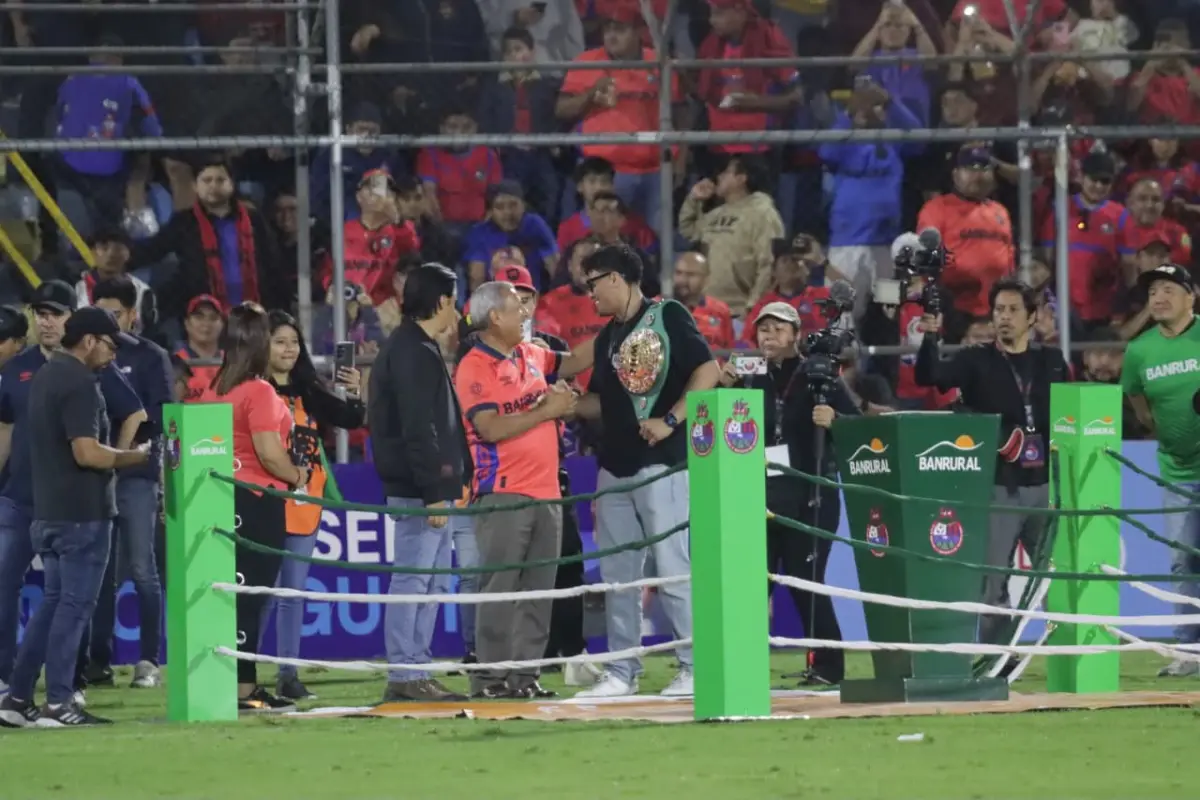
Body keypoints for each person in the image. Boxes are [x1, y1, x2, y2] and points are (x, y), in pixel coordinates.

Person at [573, 245, 720, 698]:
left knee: (672, 566)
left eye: (593, 284)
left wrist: (671, 420)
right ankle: (622, 672)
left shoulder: (668, 315)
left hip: (661, 465)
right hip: (613, 468)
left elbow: (708, 369)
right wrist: (563, 404)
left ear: (615, 278)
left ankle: (696, 667)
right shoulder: (607, 337)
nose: (589, 295)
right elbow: (601, 402)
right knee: (618, 577)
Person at [0, 307, 148, 728]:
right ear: (89, 341)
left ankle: (17, 698)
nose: (114, 353)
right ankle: (59, 702)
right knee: (74, 607)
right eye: (110, 344)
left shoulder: (45, 375)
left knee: (52, 604)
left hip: (47, 511)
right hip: (82, 514)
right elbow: (87, 453)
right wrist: (137, 457)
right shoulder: (80, 383)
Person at [455, 280, 595, 698]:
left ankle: (525, 677)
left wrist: (626, 325)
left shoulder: (532, 353)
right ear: (494, 317)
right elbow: (490, 428)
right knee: (499, 590)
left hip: (548, 490)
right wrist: (548, 410)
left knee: (538, 591)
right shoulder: (474, 366)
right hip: (503, 492)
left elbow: (575, 361)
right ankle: (489, 679)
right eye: (517, 307)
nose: (526, 314)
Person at [915, 278, 1070, 650]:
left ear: (1032, 317)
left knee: (1057, 575)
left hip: (1046, 486)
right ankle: (998, 659)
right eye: (999, 310)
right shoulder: (975, 359)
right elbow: (929, 376)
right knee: (993, 579)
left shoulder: (1051, 362)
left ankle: (1068, 653)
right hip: (998, 486)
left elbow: (1069, 416)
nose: (1004, 317)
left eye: (1013, 310)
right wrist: (931, 336)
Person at [718, 302, 853, 685]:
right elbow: (713, 426)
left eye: (779, 329)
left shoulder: (817, 373)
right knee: (751, 584)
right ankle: (742, 669)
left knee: (806, 581)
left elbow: (856, 423)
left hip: (810, 493)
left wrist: (835, 420)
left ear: (796, 335)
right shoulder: (747, 374)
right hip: (757, 494)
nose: (770, 336)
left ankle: (828, 667)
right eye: (763, 329)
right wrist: (721, 387)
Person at [368, 262, 472, 703]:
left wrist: (456, 479)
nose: (458, 310)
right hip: (420, 490)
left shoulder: (415, 346)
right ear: (442, 300)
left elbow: (437, 426)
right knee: (414, 581)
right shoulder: (412, 350)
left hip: (431, 487)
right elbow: (418, 428)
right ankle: (405, 673)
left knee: (431, 582)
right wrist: (433, 492)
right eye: (455, 300)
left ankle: (416, 668)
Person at [199, 303, 307, 713]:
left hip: (220, 498)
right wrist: (297, 475)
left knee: (230, 597)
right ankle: (245, 690)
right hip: (258, 499)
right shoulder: (259, 391)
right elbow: (268, 453)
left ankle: (228, 683)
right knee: (251, 596)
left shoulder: (214, 387)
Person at [259, 311, 366, 700]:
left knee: (294, 593)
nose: (288, 349)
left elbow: (351, 418)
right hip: (264, 502)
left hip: (306, 501)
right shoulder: (254, 389)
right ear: (262, 346)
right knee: (261, 593)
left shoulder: (307, 389)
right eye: (279, 342)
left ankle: (288, 674)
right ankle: (242, 673)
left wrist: (353, 391)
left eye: (294, 342)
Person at [88, 277, 174, 689]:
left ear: (132, 315)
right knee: (100, 573)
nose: (109, 321)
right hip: (94, 475)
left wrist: (160, 475)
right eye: (102, 313)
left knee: (142, 569)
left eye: (116, 314)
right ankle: (98, 660)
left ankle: (148, 659)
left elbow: (163, 417)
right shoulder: (88, 356)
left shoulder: (150, 356)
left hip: (137, 475)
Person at [1119, 264, 1200, 677]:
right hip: (1176, 470)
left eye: (1169, 289)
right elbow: (1139, 405)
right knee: (1182, 562)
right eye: (1153, 292)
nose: (1159, 298)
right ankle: (1189, 651)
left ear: (1191, 296)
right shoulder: (1139, 351)